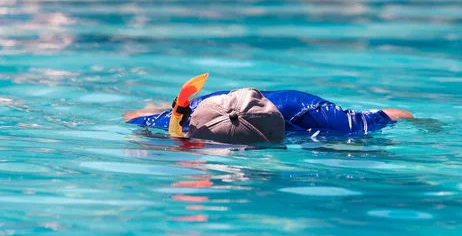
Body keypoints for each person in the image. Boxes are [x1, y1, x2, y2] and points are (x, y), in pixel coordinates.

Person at [125, 88, 413, 145]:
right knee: (155, 111)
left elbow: (398, 114)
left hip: (291, 108)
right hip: (212, 103)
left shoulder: (312, 117)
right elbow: (132, 117)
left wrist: (428, 127)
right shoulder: (194, 116)